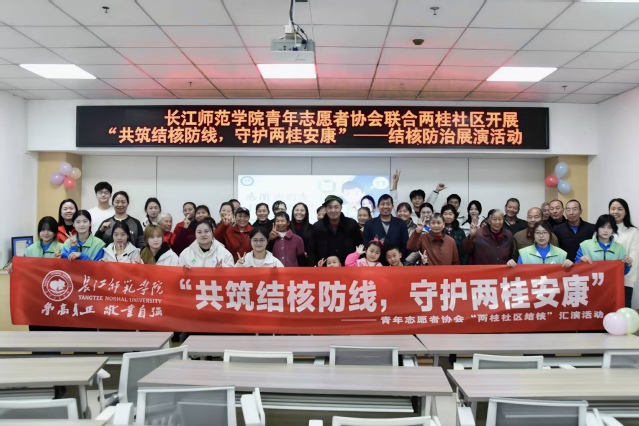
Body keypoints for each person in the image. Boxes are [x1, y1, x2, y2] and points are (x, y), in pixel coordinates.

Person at [308, 195, 362, 266]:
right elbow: (311, 250)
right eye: (330, 207)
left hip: (348, 268)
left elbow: (359, 246)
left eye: (336, 207)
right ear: (326, 209)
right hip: (324, 269)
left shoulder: (351, 224)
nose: (333, 210)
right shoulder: (317, 227)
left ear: (341, 208)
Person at [609, 198, 639, 307]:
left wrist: (627, 278)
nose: (615, 212)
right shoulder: (601, 229)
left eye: (620, 209)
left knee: (623, 310)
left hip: (624, 280)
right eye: (613, 209)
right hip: (604, 280)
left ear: (625, 212)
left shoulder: (632, 231)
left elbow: (633, 257)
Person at [507, 221, 572, 268]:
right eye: (538, 233)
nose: (541, 236)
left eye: (544, 232)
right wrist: (511, 265)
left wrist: (570, 265)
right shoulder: (524, 253)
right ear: (533, 235)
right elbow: (519, 273)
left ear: (550, 234)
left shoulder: (561, 254)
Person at [363, 194, 409, 259]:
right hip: (375, 262)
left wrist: (399, 259)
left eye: (388, 204)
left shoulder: (401, 223)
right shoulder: (369, 223)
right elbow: (366, 244)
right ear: (378, 206)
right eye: (382, 204)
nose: (385, 206)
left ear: (392, 206)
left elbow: (405, 245)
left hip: (396, 261)